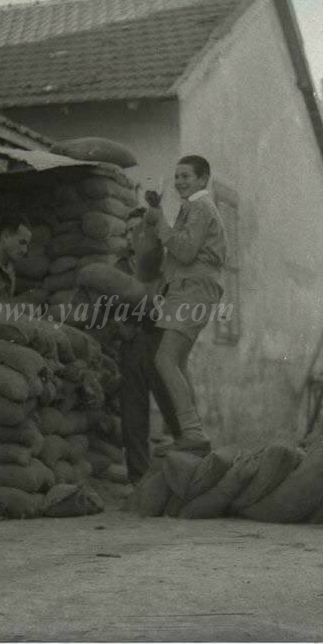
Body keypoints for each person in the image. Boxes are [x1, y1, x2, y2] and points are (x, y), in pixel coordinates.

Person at [144, 155, 228, 456]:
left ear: (202, 180)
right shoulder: (193, 208)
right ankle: (191, 434)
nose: (179, 181)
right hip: (189, 289)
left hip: (194, 289)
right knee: (176, 362)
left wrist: (160, 224)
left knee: (164, 360)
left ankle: (191, 432)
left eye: (186, 176)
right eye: (176, 176)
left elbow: (186, 250)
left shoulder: (200, 208)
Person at [116, 207, 181, 483]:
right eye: (127, 231)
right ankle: (140, 484)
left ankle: (188, 474)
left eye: (137, 230)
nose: (131, 236)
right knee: (133, 419)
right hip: (130, 346)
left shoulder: (166, 265)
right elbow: (108, 303)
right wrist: (120, 326)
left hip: (159, 344)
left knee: (175, 412)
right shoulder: (118, 267)